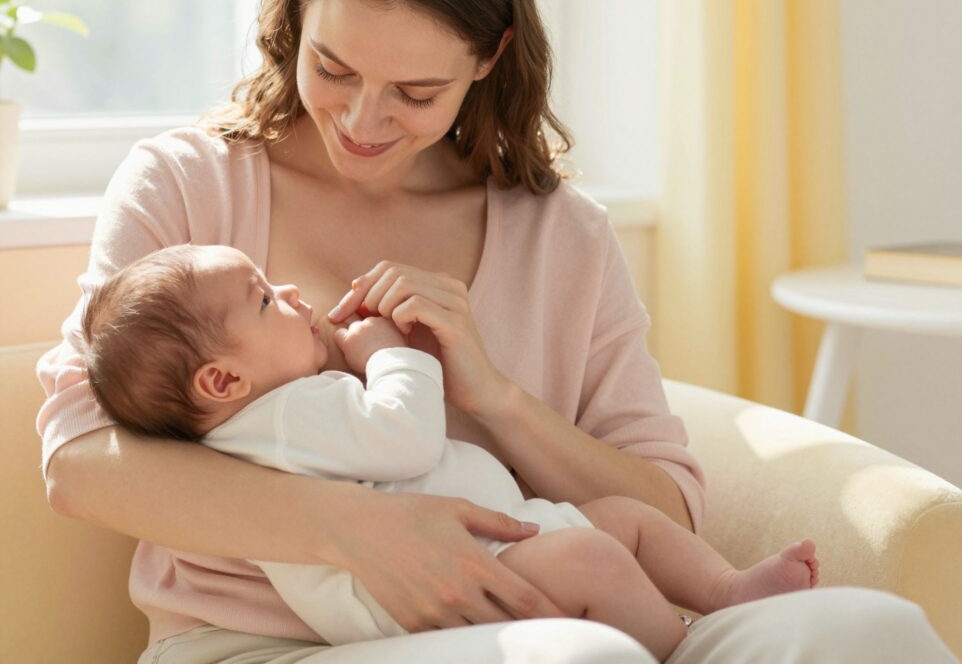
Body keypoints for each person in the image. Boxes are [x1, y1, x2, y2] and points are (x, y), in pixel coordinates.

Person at [36, 0, 958, 662]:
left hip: (572, 602)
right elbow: (81, 465)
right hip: (264, 642)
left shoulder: (560, 235)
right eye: (334, 67)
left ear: (488, 58)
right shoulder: (190, 188)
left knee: (874, 631)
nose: (361, 119)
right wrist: (358, 534)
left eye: (415, 93)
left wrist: (501, 397)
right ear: (292, 25)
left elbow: (666, 508)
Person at [80, 243, 821, 662]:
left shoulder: (281, 413)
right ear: (221, 379)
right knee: (598, 556)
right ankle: (683, 648)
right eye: (266, 300)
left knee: (622, 518)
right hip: (416, 596)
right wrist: (386, 354)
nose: (294, 291)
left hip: (494, 539)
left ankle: (724, 596)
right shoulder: (283, 416)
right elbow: (404, 439)